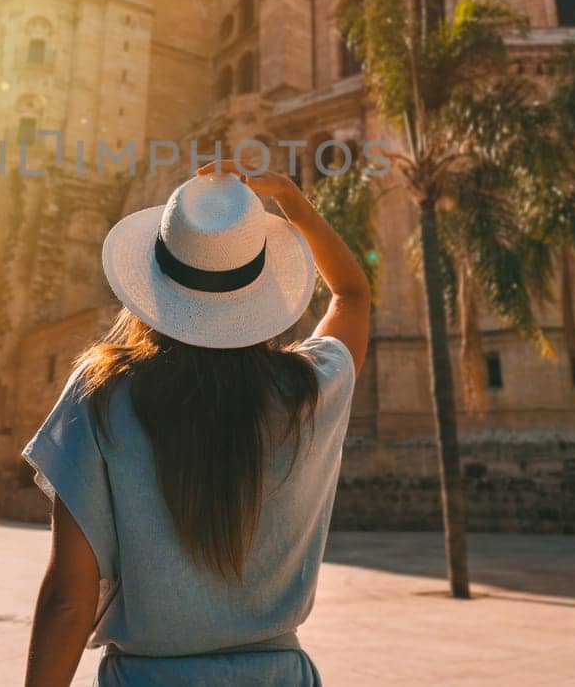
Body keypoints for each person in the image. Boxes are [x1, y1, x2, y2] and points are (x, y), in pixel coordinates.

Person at [23, 161, 370, 686]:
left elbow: (69, 600)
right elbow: (352, 296)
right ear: (260, 288)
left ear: (154, 284)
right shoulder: (306, 392)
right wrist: (292, 202)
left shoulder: (101, 394)